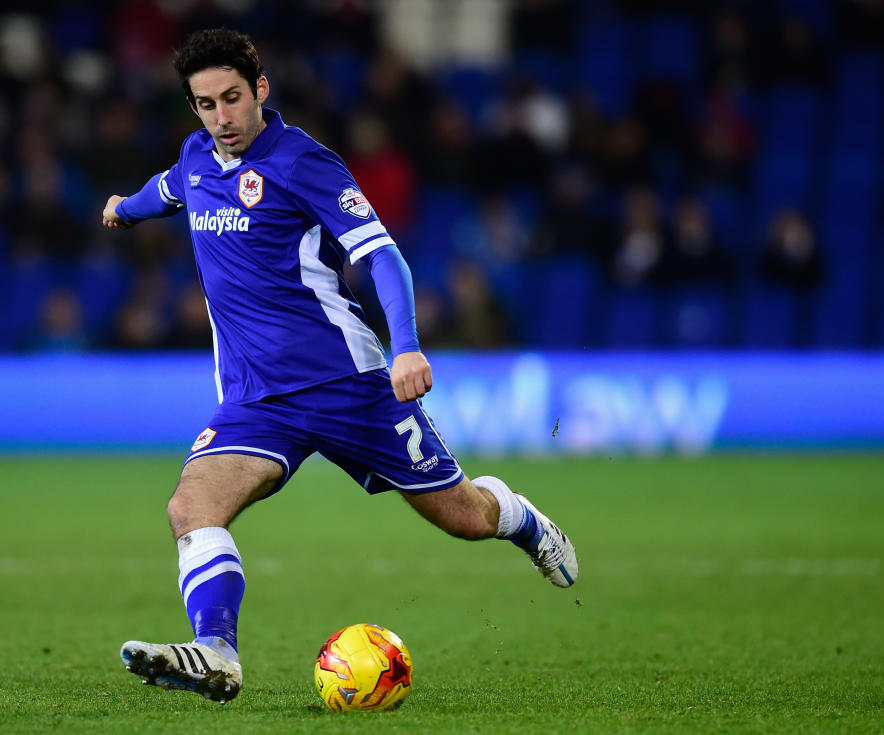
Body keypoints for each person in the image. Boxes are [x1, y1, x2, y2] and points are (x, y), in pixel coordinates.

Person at [101, 28, 577, 705]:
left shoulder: (303, 163)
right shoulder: (197, 156)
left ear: (260, 89)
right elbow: (169, 188)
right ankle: (217, 651)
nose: (221, 117)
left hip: (346, 385)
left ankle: (523, 519)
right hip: (256, 398)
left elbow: (381, 255)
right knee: (192, 506)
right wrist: (125, 208)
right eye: (204, 104)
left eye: (232, 99)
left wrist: (406, 344)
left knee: (463, 515)